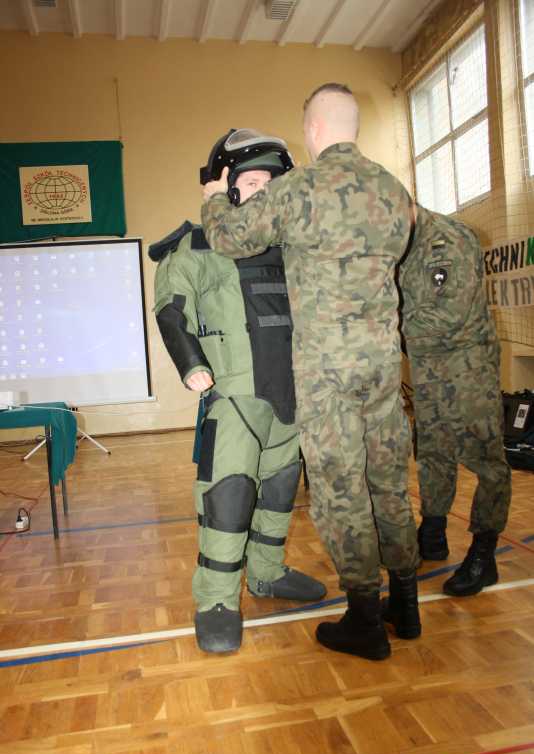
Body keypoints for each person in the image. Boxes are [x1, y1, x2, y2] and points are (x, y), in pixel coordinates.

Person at [201, 84, 421, 661]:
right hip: (382, 365)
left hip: (328, 373)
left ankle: (365, 620)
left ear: (314, 129)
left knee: (341, 493)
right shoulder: (393, 190)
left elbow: (229, 238)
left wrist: (213, 197)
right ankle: (406, 603)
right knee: (388, 483)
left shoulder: (299, 189)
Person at [151, 129, 326, 654]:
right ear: (224, 187)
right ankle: (217, 601)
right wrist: (191, 365)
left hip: (290, 397)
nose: (262, 192)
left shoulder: (292, 248)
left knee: (278, 493)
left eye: (270, 183)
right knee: (228, 497)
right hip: (235, 400)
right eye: (251, 182)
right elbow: (171, 309)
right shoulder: (198, 246)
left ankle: (267, 573)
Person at [397, 203, 512, 596]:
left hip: (468, 368)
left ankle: (484, 552)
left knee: (485, 458)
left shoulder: (448, 239)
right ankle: (433, 532)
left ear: (403, 207)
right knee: (433, 450)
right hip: (428, 367)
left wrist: (385, 329)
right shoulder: (403, 245)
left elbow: (450, 313)